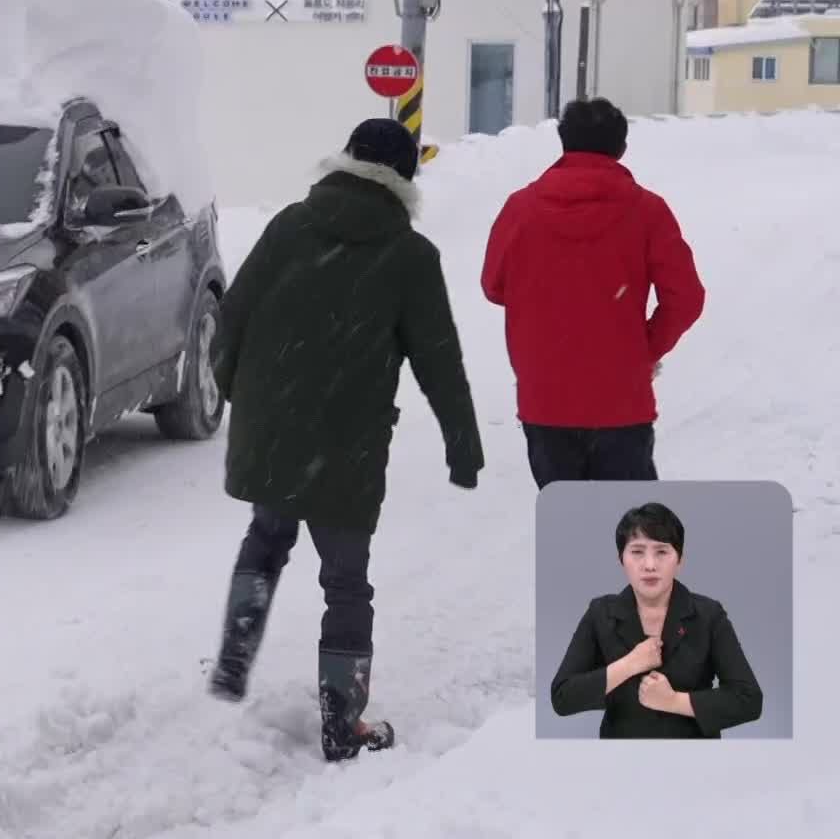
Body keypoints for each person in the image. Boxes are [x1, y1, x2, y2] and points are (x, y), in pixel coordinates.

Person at [207, 118, 483, 763]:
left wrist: (238, 391)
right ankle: (343, 723)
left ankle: (232, 661)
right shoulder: (410, 255)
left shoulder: (289, 226)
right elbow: (438, 359)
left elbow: (232, 318)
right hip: (347, 438)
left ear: (346, 160)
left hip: (272, 425)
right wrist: (463, 446)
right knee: (346, 582)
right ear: (405, 179)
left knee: (267, 537)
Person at [481, 98, 705, 488]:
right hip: (621, 399)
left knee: (568, 530)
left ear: (564, 141)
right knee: (630, 532)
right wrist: (644, 349)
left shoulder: (520, 209)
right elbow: (686, 297)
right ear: (621, 147)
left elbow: (494, 286)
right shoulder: (648, 211)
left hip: (544, 397)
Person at [548, 502, 763, 738]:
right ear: (621, 559)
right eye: (637, 552)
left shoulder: (709, 614)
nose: (649, 565)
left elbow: (749, 699)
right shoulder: (600, 613)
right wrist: (630, 664)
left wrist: (673, 701)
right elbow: (562, 697)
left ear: (679, 560)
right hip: (620, 760)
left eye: (662, 552)